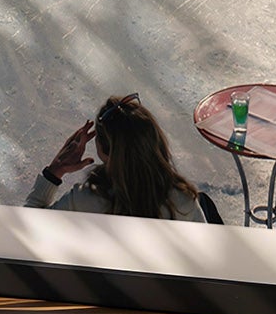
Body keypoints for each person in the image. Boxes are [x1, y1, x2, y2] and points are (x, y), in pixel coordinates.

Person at [26, 93, 209, 221]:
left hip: (104, 277)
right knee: (206, 204)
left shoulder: (84, 201)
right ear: (155, 142)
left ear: (105, 151)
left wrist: (55, 171)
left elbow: (28, 231)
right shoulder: (182, 201)